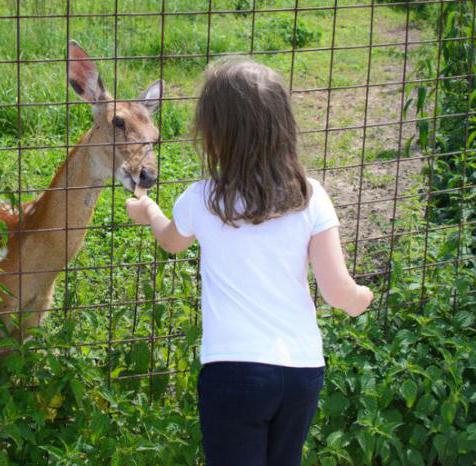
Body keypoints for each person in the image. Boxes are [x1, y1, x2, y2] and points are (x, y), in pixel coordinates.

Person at [125, 59, 373, 466]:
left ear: (214, 137)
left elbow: (171, 242)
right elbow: (337, 291)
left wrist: (149, 211)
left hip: (233, 372)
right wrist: (361, 297)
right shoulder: (310, 196)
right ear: (283, 128)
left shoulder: (202, 198)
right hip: (301, 372)